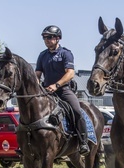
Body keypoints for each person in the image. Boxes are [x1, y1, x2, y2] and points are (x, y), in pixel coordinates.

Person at [35, 25, 90, 156]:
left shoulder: (66, 53)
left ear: (58, 38)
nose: (46, 40)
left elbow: (70, 73)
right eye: (44, 37)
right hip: (46, 91)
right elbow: (36, 74)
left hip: (63, 90)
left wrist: (56, 85)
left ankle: (83, 142)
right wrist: (38, 87)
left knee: (77, 111)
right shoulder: (42, 55)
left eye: (49, 37)